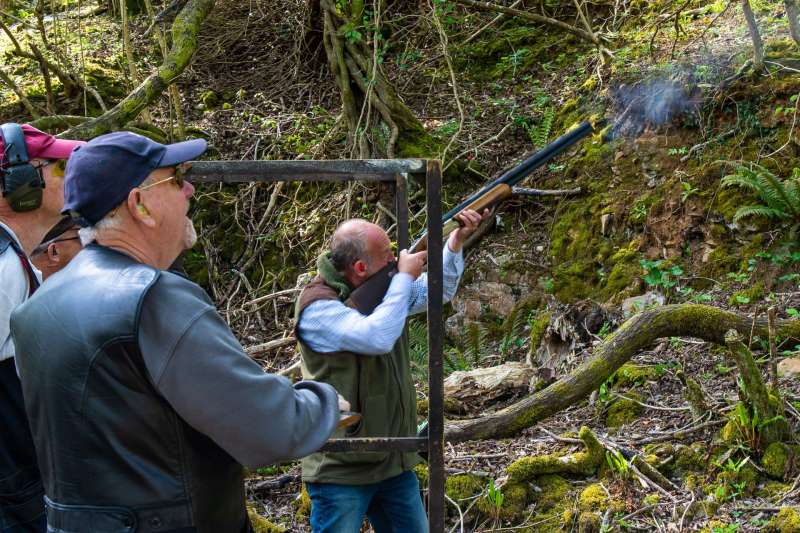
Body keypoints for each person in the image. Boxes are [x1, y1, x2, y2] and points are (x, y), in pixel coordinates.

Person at [11, 132, 346, 533]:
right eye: (175, 178)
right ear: (140, 205)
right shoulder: (154, 298)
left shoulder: (38, 305)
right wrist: (324, 401)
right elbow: (273, 428)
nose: (189, 189)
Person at [295, 209, 489, 533]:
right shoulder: (317, 307)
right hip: (341, 468)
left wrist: (454, 243)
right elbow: (377, 337)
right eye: (387, 256)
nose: (396, 260)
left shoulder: (385, 291)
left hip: (393, 460)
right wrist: (401, 279)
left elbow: (438, 291)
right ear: (360, 268)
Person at [0, 123, 84, 533]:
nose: (68, 176)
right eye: (56, 168)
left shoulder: (15, 258)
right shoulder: (2, 271)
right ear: (19, 184)